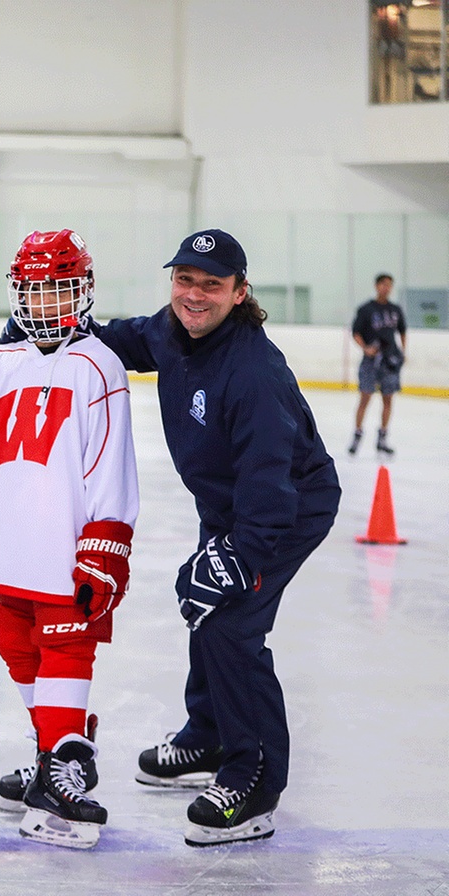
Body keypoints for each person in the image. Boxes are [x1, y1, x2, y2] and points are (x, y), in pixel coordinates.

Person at [69, 229, 340, 847]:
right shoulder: (171, 328)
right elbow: (121, 338)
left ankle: (255, 780)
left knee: (229, 622)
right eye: (184, 279)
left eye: (211, 285)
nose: (194, 294)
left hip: (284, 510)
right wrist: (46, 333)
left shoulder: (255, 374)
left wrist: (239, 560)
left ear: (239, 294)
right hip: (229, 502)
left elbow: (272, 490)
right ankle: (208, 734)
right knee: (203, 603)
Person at [0, 230, 137, 849]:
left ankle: (57, 772)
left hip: (64, 541)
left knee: (66, 647)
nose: (47, 301)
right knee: (13, 640)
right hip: (10, 539)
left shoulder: (98, 363)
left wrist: (106, 541)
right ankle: (57, 750)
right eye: (35, 288)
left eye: (59, 287)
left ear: (81, 291)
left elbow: (111, 461)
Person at [348, 273, 407, 456]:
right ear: (376, 286)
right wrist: (365, 348)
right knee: (365, 396)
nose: (386, 288)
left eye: (389, 285)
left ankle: (382, 437)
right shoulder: (366, 309)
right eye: (383, 284)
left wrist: (403, 353)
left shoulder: (395, 310)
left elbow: (402, 331)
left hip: (390, 360)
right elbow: (356, 332)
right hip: (371, 361)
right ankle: (357, 434)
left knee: (388, 398)